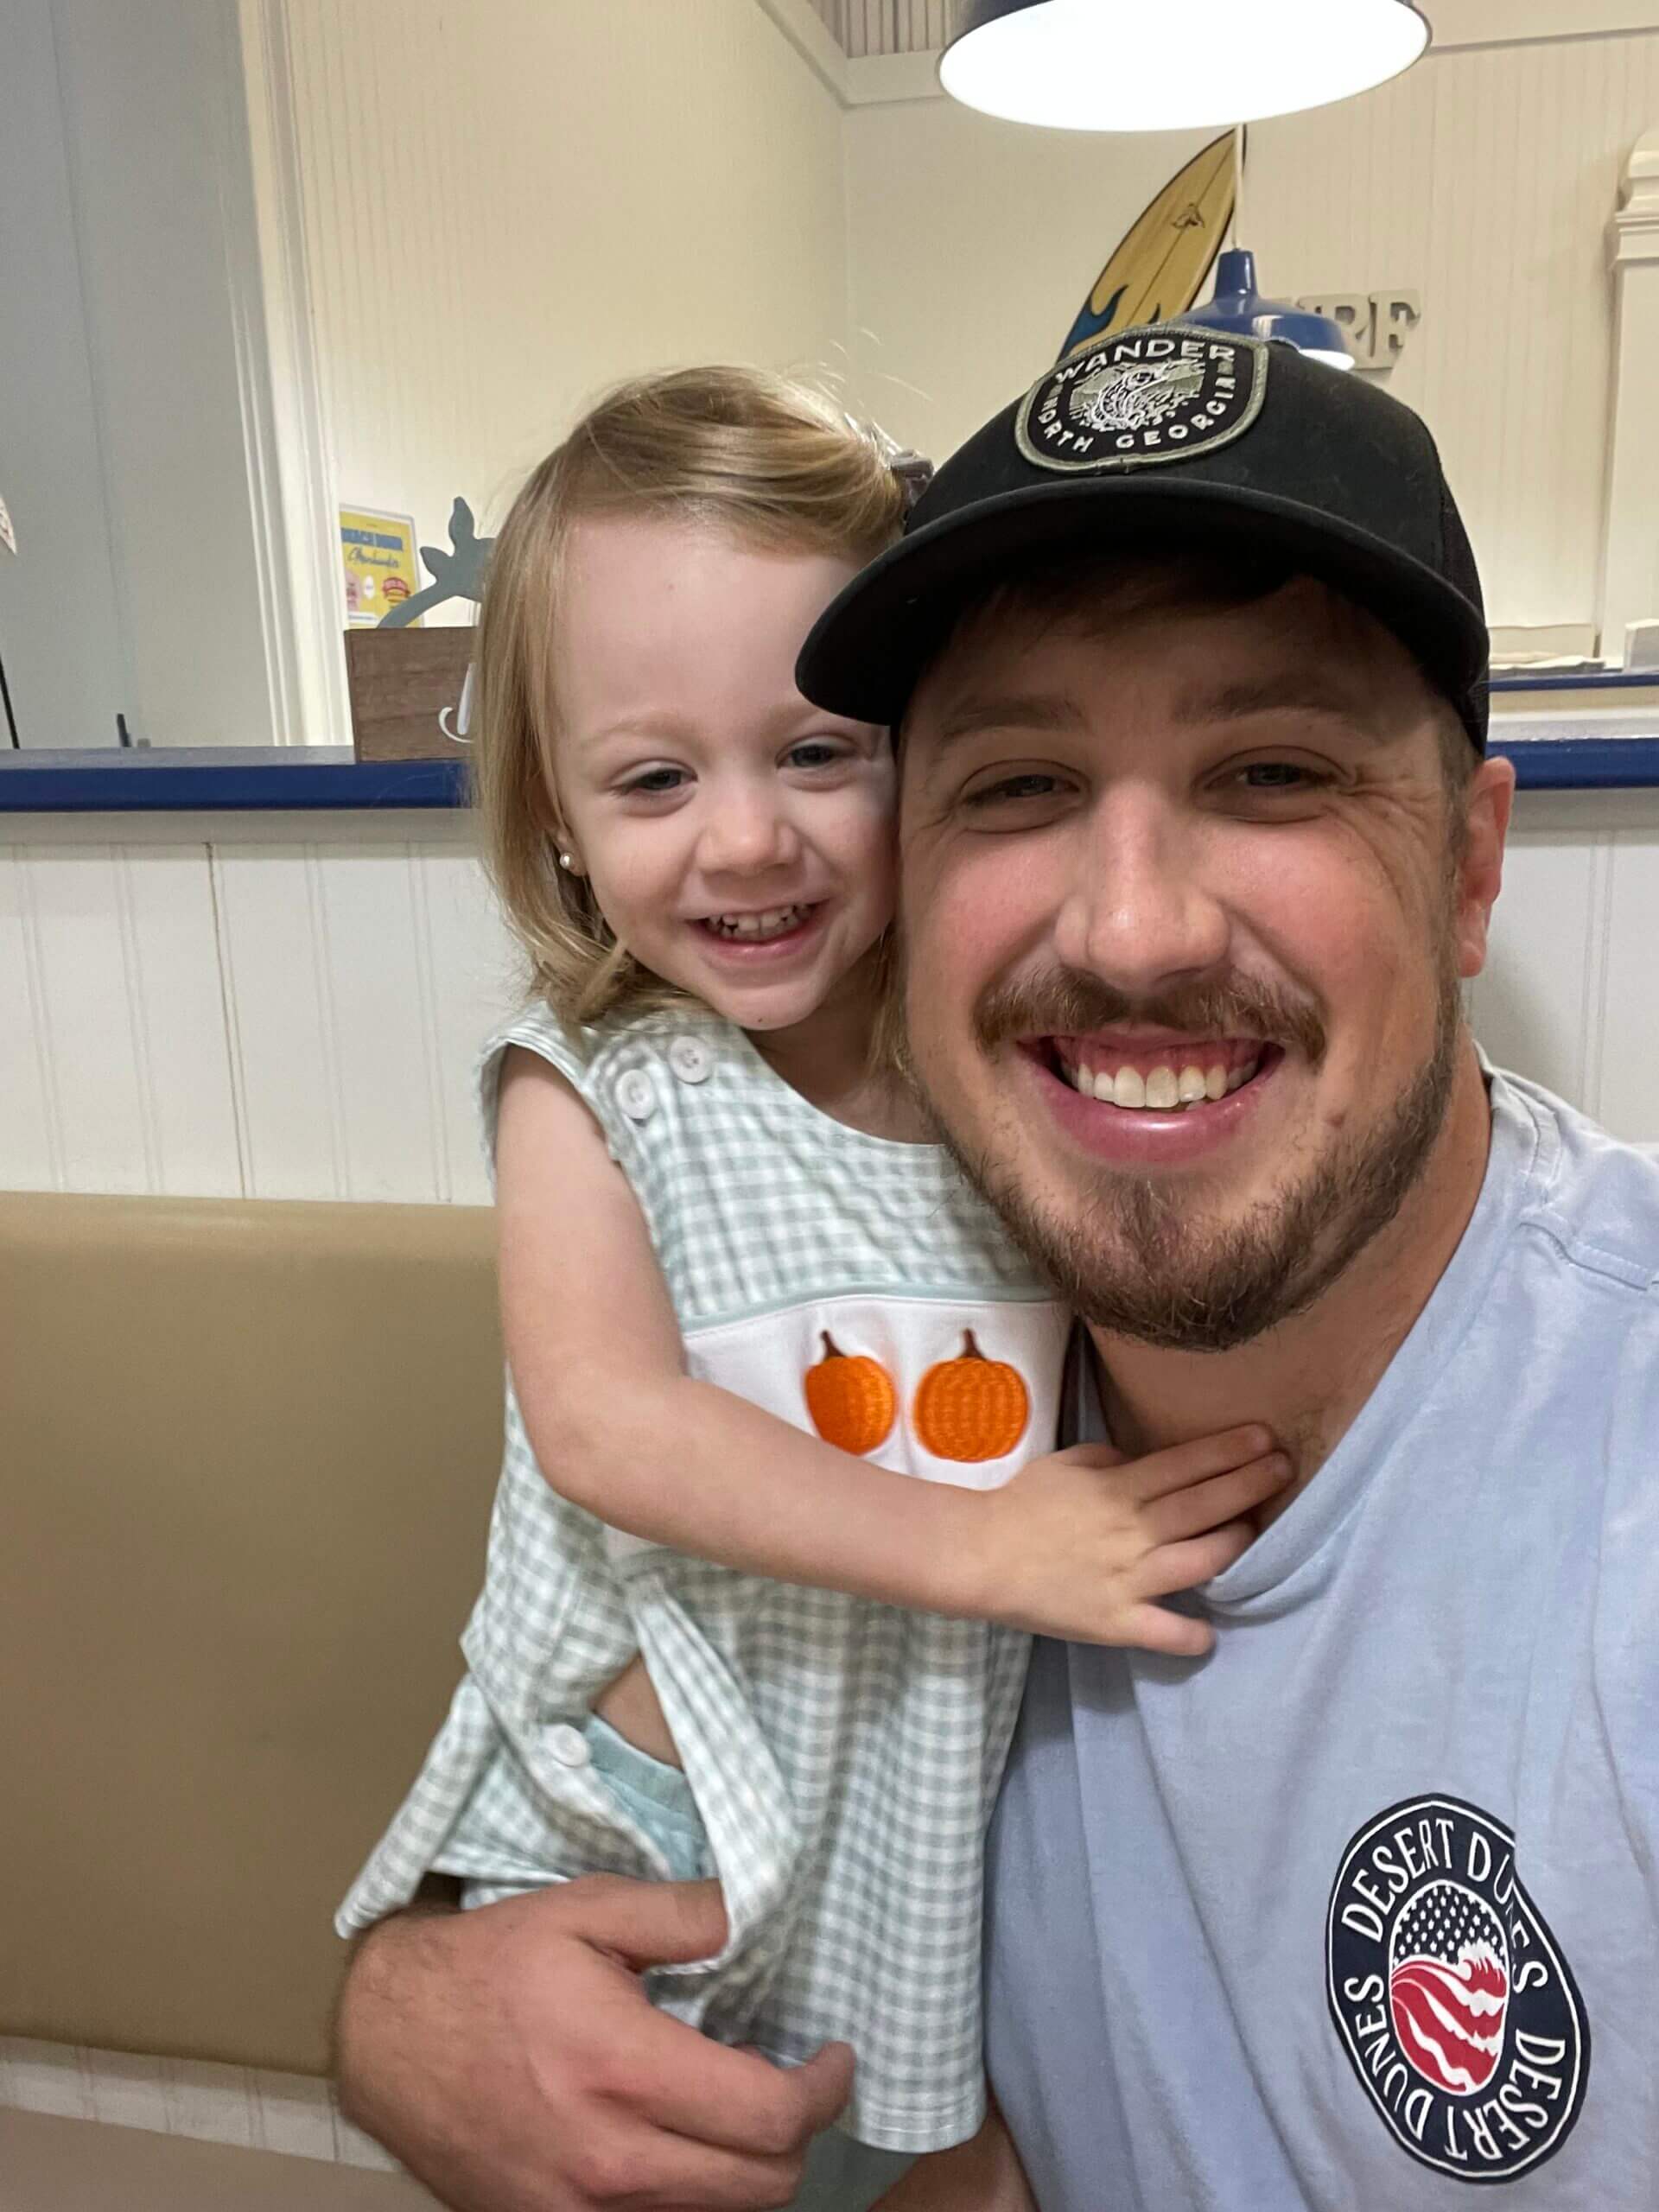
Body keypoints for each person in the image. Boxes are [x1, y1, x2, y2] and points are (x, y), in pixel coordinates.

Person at [335, 333, 1659, 2208]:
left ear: (1467, 869)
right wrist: (406, 2000)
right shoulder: (908, 1271)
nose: (1129, 931)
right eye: (1021, 783)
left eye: (1273, 770)